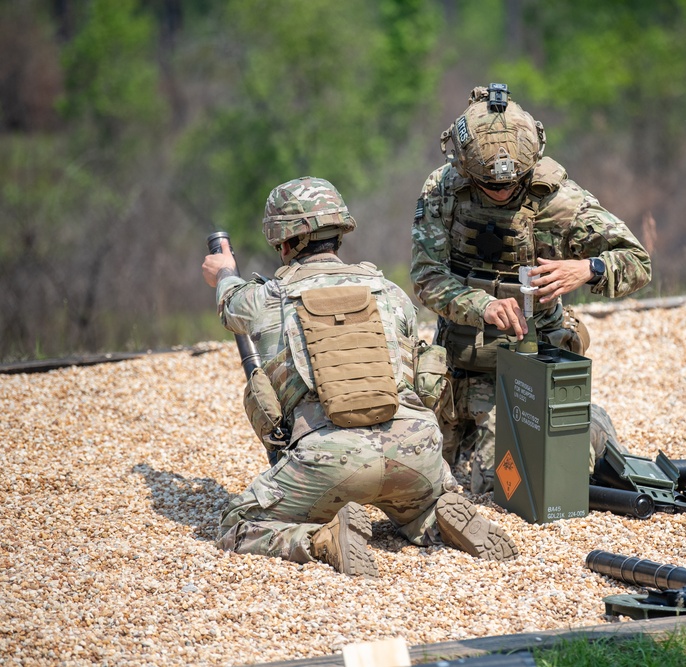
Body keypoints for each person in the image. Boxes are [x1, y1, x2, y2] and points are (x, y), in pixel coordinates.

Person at [202, 176, 518, 577]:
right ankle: (433, 516)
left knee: (238, 524)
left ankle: (321, 540)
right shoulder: (388, 291)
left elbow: (231, 304)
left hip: (333, 459)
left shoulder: (269, 298)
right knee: (412, 498)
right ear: (339, 234)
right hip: (416, 449)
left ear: (283, 242)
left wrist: (225, 271)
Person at [410, 83, 652, 494]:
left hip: (526, 364)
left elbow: (637, 262)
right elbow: (427, 276)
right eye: (490, 185)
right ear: (466, 170)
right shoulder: (443, 192)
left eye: (512, 184)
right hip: (459, 362)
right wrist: (481, 306)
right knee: (413, 472)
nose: (503, 192)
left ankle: (585, 425)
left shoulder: (559, 201)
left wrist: (587, 268)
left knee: (499, 485)